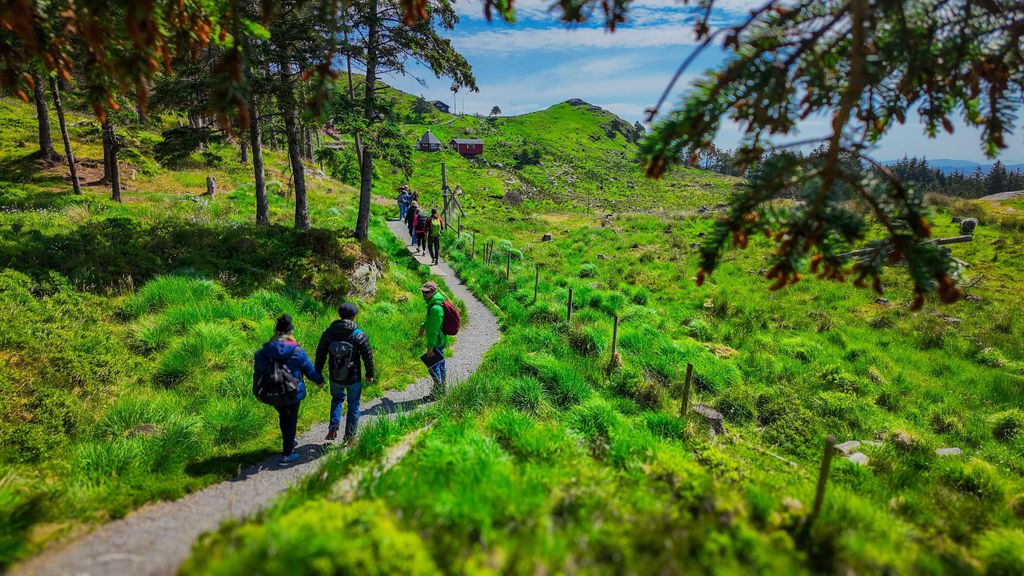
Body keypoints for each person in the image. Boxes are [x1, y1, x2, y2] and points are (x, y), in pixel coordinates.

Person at [253, 314, 324, 466]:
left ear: (276, 332)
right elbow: (310, 371)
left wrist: (257, 392)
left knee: (284, 416)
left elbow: (257, 374)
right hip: (292, 392)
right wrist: (320, 381)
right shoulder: (297, 351)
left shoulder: (262, 353)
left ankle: (289, 439)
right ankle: (287, 454)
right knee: (290, 420)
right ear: (290, 331)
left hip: (271, 392)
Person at [314, 303, 375, 446]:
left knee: (337, 399)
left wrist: (317, 374)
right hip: (354, 377)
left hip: (335, 376)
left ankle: (333, 428)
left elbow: (320, 355)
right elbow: (368, 356)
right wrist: (370, 374)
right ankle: (350, 437)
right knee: (354, 405)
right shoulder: (358, 334)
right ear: (354, 316)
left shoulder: (328, 333)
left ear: (340, 315)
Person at [419, 281, 448, 398]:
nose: (424, 294)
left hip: (436, 342)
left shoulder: (435, 308)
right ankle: (442, 390)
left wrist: (430, 347)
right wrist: (423, 326)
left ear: (434, 292)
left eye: (427, 292)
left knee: (433, 366)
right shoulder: (434, 303)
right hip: (440, 340)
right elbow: (430, 321)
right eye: (423, 291)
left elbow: (434, 330)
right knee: (440, 364)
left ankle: (437, 393)